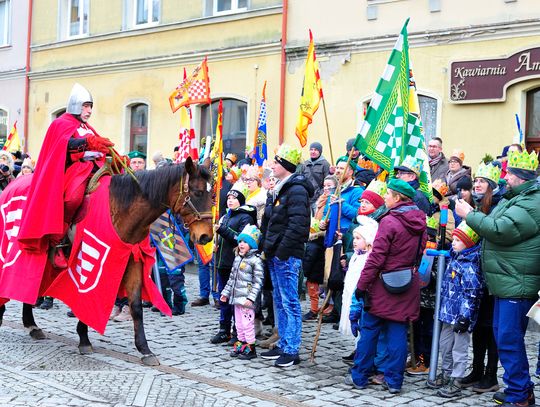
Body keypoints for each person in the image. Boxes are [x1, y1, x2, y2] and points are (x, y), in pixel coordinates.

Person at [455, 150, 540, 407]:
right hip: (506, 280)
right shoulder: (514, 198)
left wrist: (469, 214)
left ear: (519, 177)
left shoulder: (531, 202)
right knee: (504, 337)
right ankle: (521, 388)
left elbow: (500, 230)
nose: (505, 176)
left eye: (510, 173)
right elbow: (492, 223)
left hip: (517, 282)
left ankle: (519, 395)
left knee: (509, 339)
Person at [17, 83, 118, 272]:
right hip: (72, 171)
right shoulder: (61, 123)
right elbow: (62, 145)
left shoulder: (87, 127)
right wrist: (85, 147)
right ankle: (58, 241)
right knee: (73, 199)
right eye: (85, 106)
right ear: (76, 105)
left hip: (94, 169)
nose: (89, 111)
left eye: (90, 107)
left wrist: (111, 155)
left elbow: (96, 144)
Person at [345, 178, 426, 394]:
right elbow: (419, 254)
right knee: (398, 332)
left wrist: (362, 286)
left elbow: (376, 258)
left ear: (398, 197)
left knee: (369, 330)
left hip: (383, 283)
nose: (386, 197)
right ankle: (394, 381)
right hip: (407, 282)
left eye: (388, 194)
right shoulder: (420, 220)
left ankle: (359, 376)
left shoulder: (390, 221)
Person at [260, 144, 313, 368]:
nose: (272, 165)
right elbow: (271, 222)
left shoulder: (297, 190)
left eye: (276, 161)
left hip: (287, 255)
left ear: (285, 166)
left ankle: (292, 349)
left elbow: (298, 225)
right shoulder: (281, 188)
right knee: (279, 301)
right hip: (275, 253)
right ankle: (283, 344)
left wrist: (281, 251)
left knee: (290, 302)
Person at [460, 162, 505, 393]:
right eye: (476, 180)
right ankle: (476, 369)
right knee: (478, 326)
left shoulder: (499, 205)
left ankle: (490, 375)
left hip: (492, 275)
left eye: (482, 182)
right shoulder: (474, 205)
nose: (477, 184)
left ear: (492, 186)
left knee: (490, 327)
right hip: (475, 275)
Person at [429, 221, 484, 398]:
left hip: (461, 317)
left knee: (458, 349)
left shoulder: (469, 266)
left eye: (458, 241)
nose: (453, 243)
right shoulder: (454, 259)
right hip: (447, 313)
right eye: (453, 239)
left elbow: (472, 294)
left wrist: (465, 316)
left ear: (468, 244)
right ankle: (446, 372)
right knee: (445, 344)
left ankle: (457, 378)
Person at [211, 182, 257, 344]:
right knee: (223, 299)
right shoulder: (226, 215)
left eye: (234, 198)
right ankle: (224, 329)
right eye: (229, 197)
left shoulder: (246, 217)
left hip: (237, 265)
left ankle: (238, 332)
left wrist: (222, 230)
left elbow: (242, 239)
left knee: (237, 300)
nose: (230, 200)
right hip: (223, 263)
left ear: (241, 200)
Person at [221, 224, 264, 360]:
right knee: (238, 324)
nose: (241, 244)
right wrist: (225, 293)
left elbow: (258, 282)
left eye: (245, 241)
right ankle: (241, 345)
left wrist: (251, 298)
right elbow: (232, 279)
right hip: (237, 300)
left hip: (247, 301)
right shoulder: (238, 258)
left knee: (247, 325)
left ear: (252, 245)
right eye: (240, 241)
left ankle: (251, 347)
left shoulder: (255, 261)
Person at [339, 217, 378, 337]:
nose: (354, 241)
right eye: (354, 238)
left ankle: (360, 346)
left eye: (358, 238)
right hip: (350, 292)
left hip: (359, 295)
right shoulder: (356, 255)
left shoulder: (368, 258)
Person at [302, 142, 330, 213]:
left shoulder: (325, 164)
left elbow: (328, 181)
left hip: (318, 199)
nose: (313, 152)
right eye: (311, 149)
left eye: (315, 150)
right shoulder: (305, 164)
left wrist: (320, 195)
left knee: (316, 220)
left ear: (320, 152)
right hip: (306, 198)